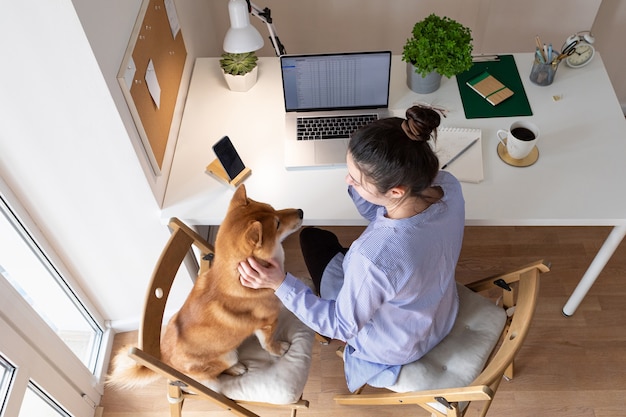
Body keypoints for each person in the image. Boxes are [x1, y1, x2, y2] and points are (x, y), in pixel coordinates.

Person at [238, 105, 465, 392]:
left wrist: (279, 283)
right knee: (323, 243)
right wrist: (362, 180)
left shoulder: (372, 257)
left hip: (398, 343)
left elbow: (341, 326)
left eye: (355, 179)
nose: (348, 180)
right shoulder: (448, 186)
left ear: (395, 191)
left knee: (312, 239)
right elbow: (384, 217)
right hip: (440, 310)